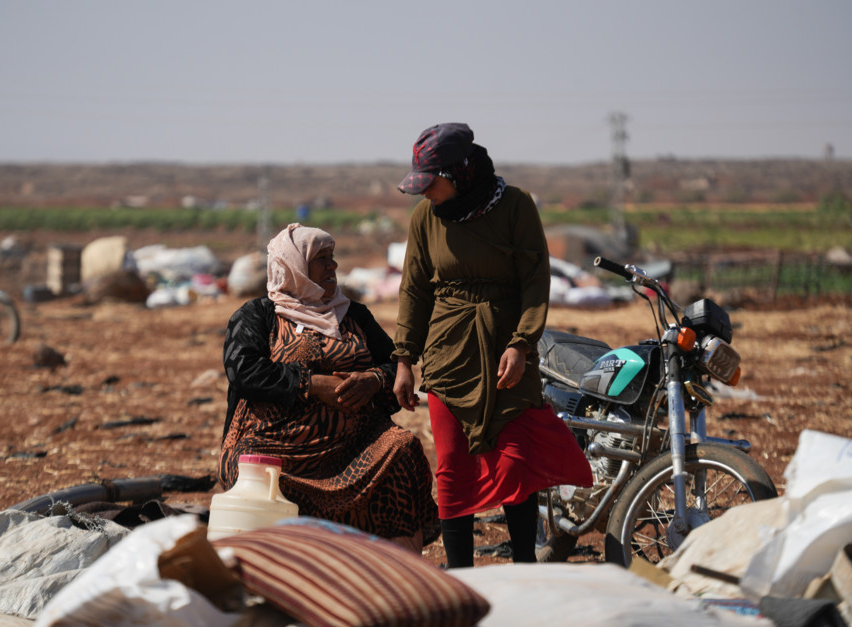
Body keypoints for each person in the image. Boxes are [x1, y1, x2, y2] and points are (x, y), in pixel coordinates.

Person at [391, 123, 593, 568]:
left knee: (515, 465)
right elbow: (415, 290)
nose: (426, 194)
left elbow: (535, 279)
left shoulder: (515, 206)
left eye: (432, 183)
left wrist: (522, 344)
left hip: (508, 353)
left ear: (460, 172)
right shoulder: (425, 218)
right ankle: (462, 574)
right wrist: (404, 358)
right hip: (449, 352)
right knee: (452, 467)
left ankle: (525, 568)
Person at [219, 223, 440, 553]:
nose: (332, 265)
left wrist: (374, 379)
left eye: (332, 256)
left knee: (402, 448)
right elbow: (244, 370)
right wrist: (310, 384)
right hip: (275, 440)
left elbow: (395, 364)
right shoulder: (258, 315)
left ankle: (400, 572)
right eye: (321, 258)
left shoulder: (355, 315)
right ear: (293, 267)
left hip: (356, 443)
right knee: (254, 470)